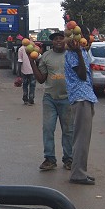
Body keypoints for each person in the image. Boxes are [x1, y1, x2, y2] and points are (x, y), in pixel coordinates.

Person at [30, 31, 73, 171]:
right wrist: (32, 63)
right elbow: (41, 79)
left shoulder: (71, 54)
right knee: (48, 129)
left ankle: (69, 159)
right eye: (56, 39)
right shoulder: (46, 56)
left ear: (65, 40)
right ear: (52, 42)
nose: (58, 41)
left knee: (68, 130)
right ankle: (49, 159)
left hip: (67, 98)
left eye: (61, 38)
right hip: (50, 98)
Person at [65, 32, 98, 185]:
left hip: (86, 96)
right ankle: (78, 174)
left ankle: (81, 171)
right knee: (81, 138)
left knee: (84, 138)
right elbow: (82, 75)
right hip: (80, 97)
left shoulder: (83, 52)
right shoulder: (73, 54)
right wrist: (78, 52)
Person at [17, 41, 36, 105]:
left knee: (25, 85)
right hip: (32, 70)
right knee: (32, 85)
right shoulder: (32, 47)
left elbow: (20, 61)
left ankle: (25, 99)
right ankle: (31, 98)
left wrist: (18, 72)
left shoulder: (21, 49)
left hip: (24, 70)